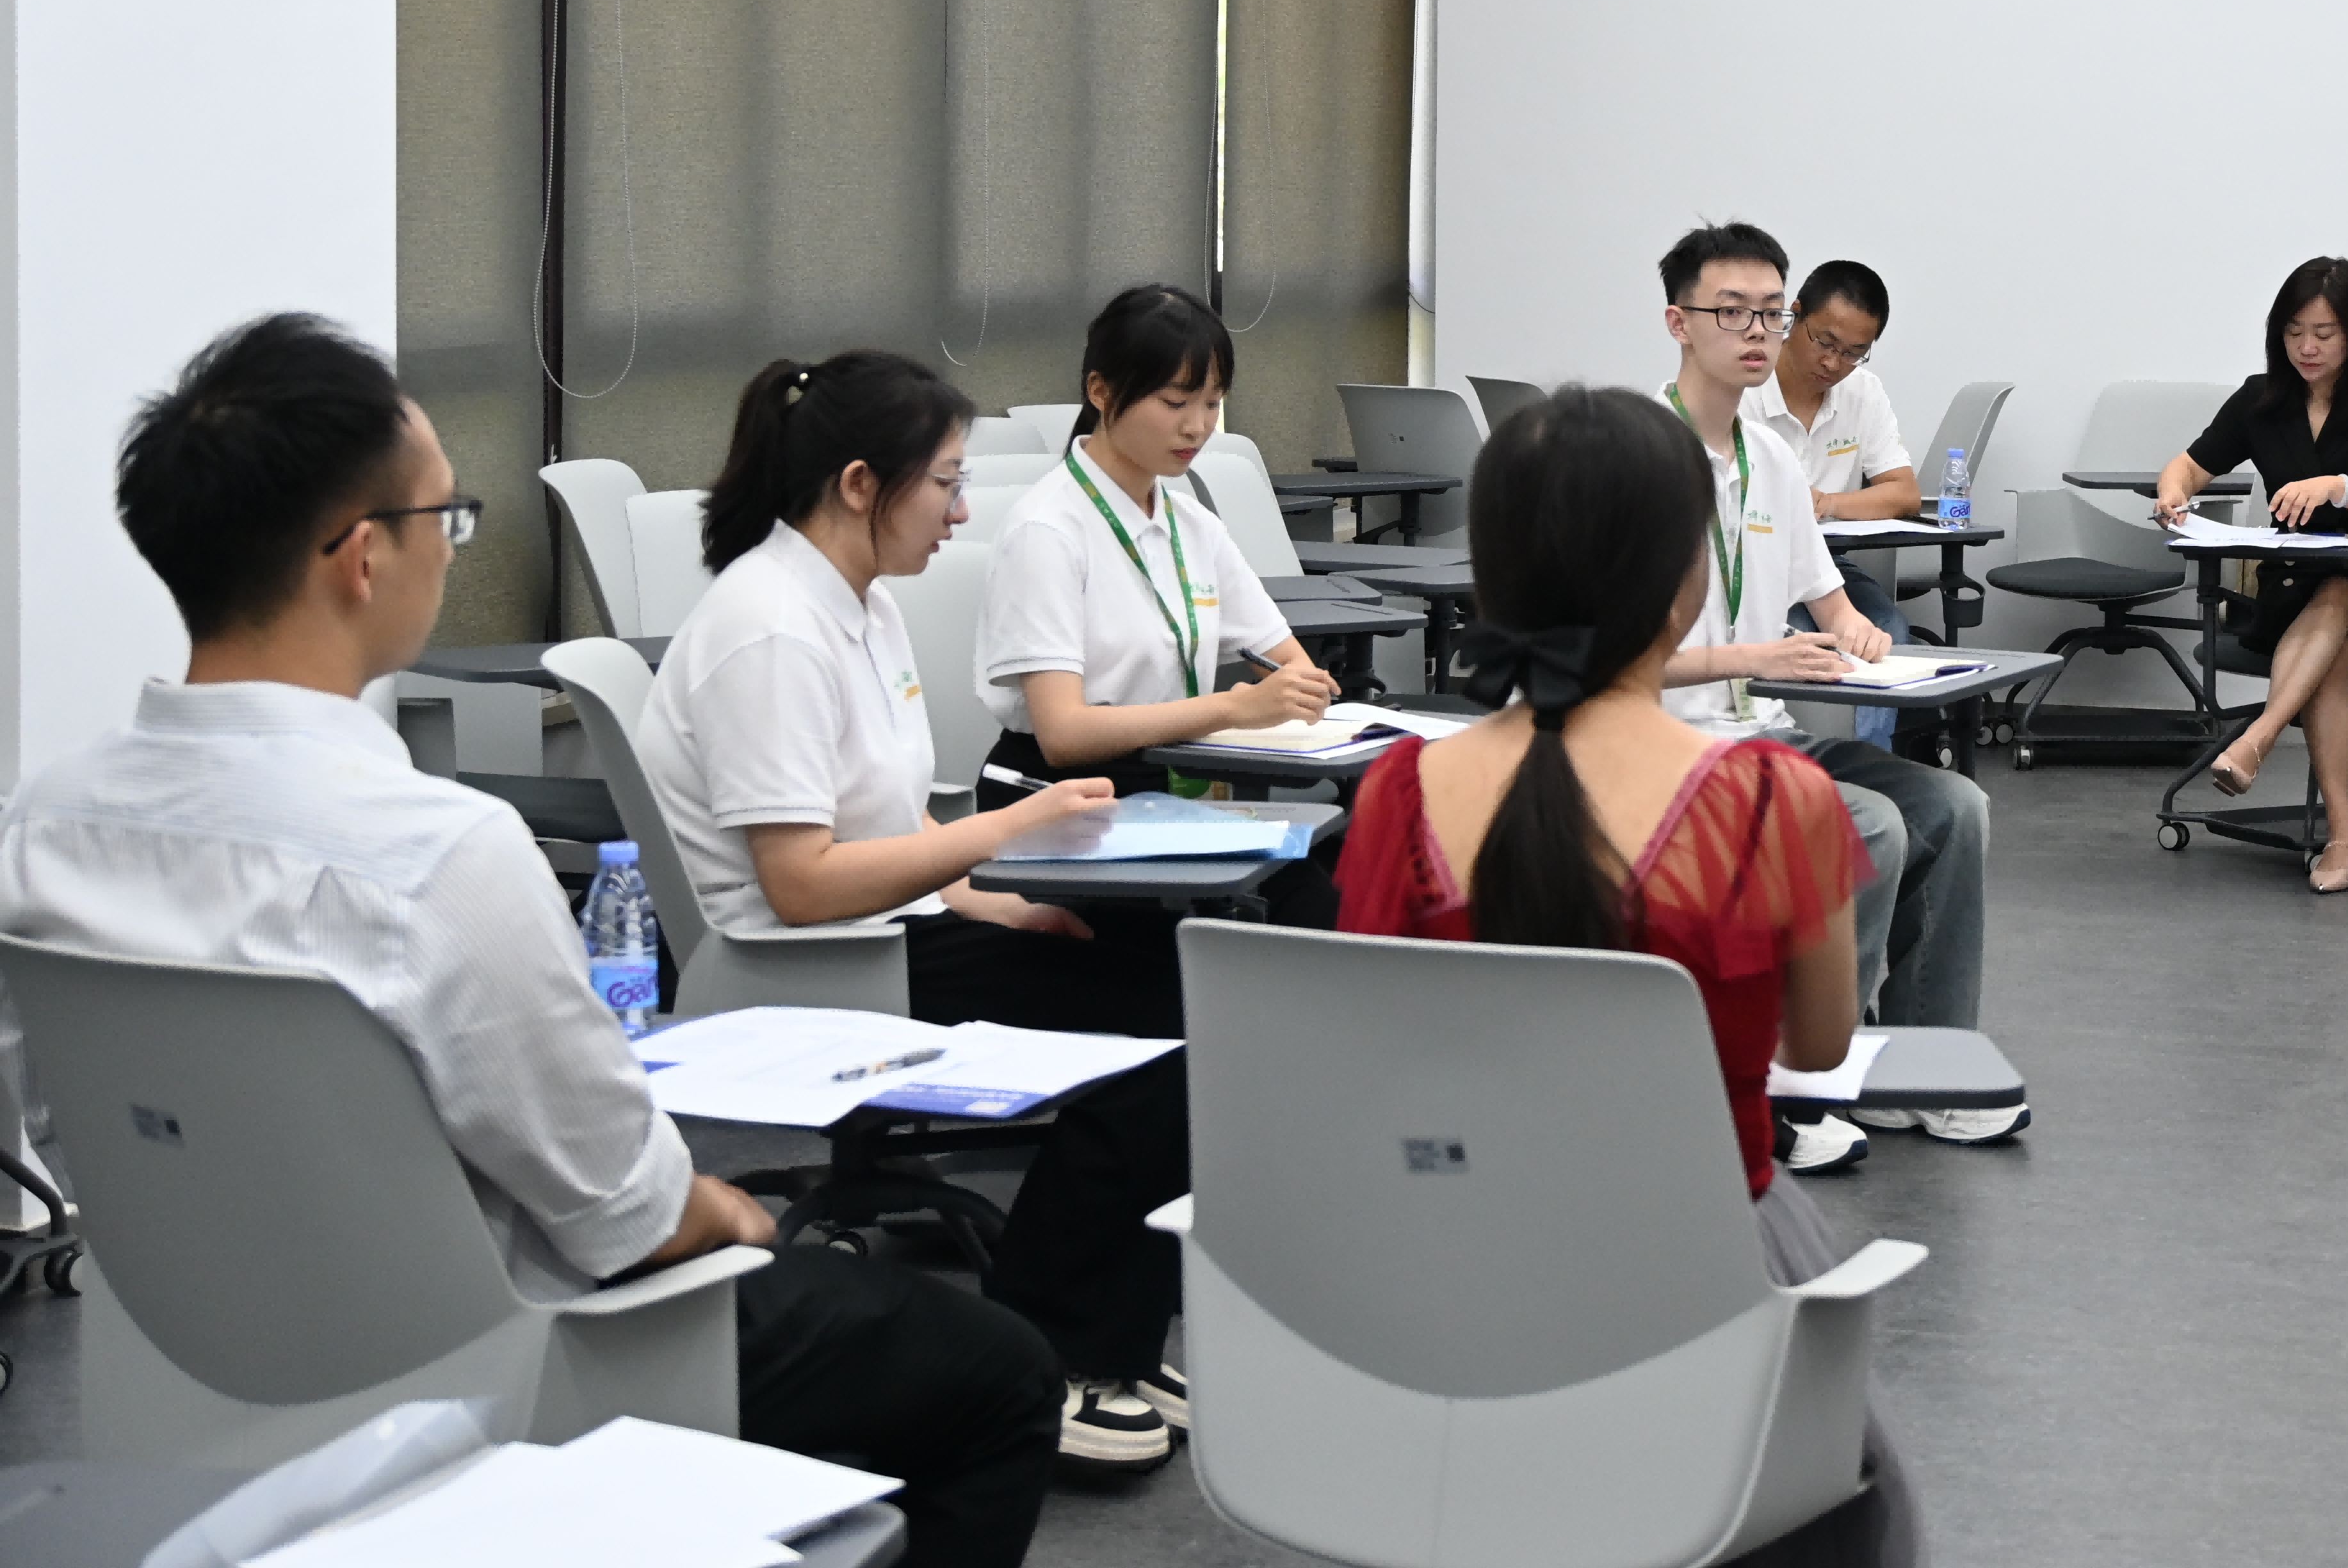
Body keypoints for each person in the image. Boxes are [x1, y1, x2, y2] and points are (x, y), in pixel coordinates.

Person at [0, 317, 1060, 1565]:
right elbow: (625, 1210)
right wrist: (723, 1208)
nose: (452, 549)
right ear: (360, 556)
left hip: (181, 1353)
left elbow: (66, 1108)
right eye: (445, 516)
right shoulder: (438, 853)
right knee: (999, 1374)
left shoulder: (45, 825)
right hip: (507, 1369)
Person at [1332, 384, 1912, 1568]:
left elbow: (1373, 1047)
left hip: (1455, 1278)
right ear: (1686, 581)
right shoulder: (1774, 799)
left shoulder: (1397, 794)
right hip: (1702, 1277)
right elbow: (1813, 1047)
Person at [635, 348, 1194, 1467]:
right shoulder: (770, 626)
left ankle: (1106, 1333)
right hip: (802, 960)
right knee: (1155, 1032)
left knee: (1162, 972)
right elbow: (800, 881)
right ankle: (1056, 1348)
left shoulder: (857, 602)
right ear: (860, 485)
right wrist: (1000, 835)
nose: (962, 510)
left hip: (879, 929)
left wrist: (988, 902)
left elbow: (882, 820)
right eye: (946, 482)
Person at [1655, 222, 2021, 1166]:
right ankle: (1798, 1079)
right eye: (1731, 311)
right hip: (1672, 746)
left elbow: (1834, 607)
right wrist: (1758, 657)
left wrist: (1869, 646)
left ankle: (1917, 1068)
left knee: (1955, 806)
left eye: (1769, 313)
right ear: (1678, 322)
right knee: (1867, 823)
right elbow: (1611, 665)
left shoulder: (1771, 461)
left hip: (1764, 732)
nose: (1756, 331)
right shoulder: (1634, 460)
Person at [2151, 255, 2348, 894]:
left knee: (2341, 594)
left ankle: (2258, 737)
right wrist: (2173, 495)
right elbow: (2189, 466)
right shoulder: (2261, 400)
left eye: (2324, 333)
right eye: (2293, 332)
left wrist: (2338, 486)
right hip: (2291, 588)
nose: (2306, 347)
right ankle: (2344, 833)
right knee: (2329, 648)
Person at [975, 282, 1340, 791]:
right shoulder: (1046, 531)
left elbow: (1288, 663)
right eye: (1175, 402)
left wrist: (1300, 691)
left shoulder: (1192, 524)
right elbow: (1063, 735)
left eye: (1212, 403)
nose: (1197, 427)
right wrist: (1232, 708)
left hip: (1165, 782)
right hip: (1057, 796)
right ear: (1100, 392)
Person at [1745, 259, 1922, 750]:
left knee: (1888, 628)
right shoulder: (1747, 388)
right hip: (1756, 569)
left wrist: (1828, 503)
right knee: (1810, 640)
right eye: (1825, 342)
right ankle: (1807, 766)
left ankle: (1870, 764)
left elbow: (1904, 492)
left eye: (1853, 353)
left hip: (1827, 564)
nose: (1833, 363)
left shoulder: (1862, 392)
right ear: (1795, 315)